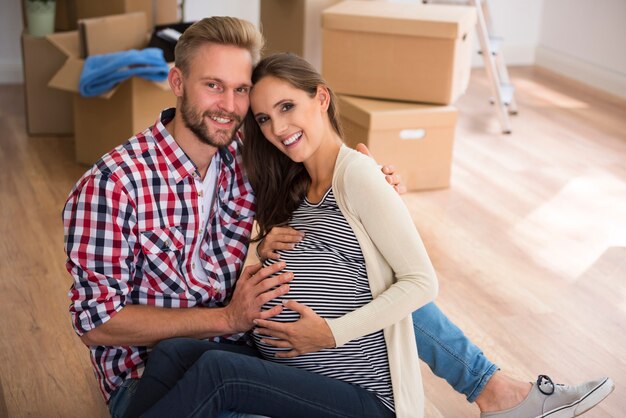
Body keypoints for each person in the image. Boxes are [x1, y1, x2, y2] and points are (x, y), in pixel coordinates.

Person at [61, 16, 613, 418]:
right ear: (177, 83)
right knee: (202, 367)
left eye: (241, 92)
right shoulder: (114, 185)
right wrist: (226, 319)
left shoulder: (243, 157)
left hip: (246, 344)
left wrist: (380, 192)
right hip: (157, 371)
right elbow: (97, 325)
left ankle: (492, 388)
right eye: (212, 86)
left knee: (363, 264)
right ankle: (493, 391)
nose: (229, 106)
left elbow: (330, 198)